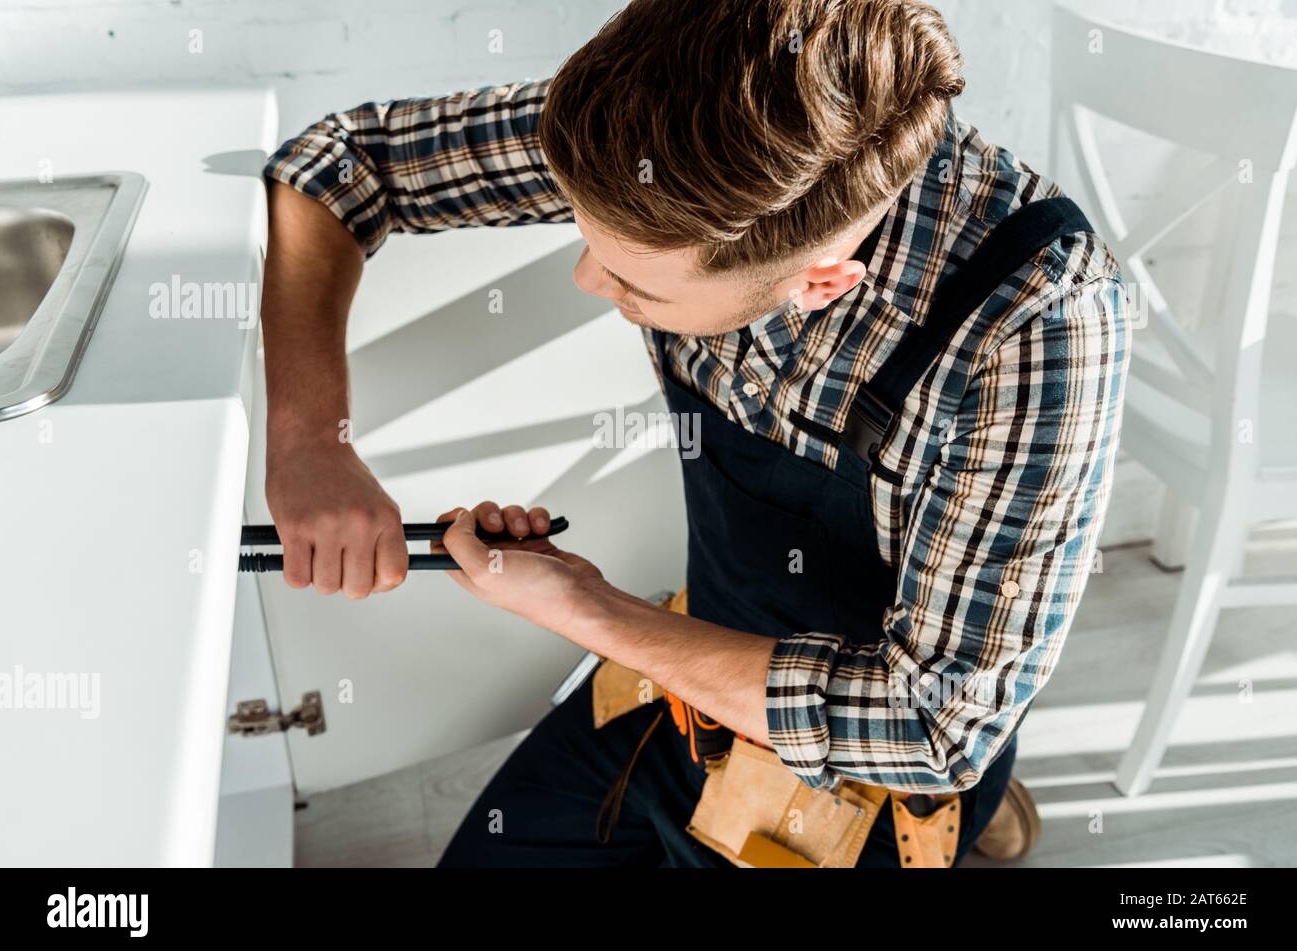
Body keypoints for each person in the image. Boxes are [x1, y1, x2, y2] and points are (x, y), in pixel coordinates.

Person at [260, 0, 1130, 867]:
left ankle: (973, 817)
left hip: (869, 772)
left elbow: (937, 723)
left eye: (639, 283)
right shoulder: (665, 140)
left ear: (822, 283)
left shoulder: (1039, 320)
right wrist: (310, 440)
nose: (587, 276)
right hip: (681, 674)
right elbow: (338, 165)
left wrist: (582, 607)